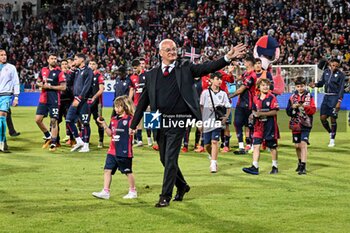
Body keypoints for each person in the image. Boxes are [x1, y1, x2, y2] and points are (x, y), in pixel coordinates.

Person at [130, 39, 246, 207]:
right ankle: (182, 185)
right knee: (164, 159)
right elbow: (143, 101)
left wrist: (227, 58)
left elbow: (207, 67)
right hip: (157, 121)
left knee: (170, 159)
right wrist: (133, 125)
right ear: (160, 53)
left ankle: (165, 196)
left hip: (179, 121)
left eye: (174, 49)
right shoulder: (151, 75)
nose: (172, 51)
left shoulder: (185, 68)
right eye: (168, 49)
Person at [92, 96, 137, 200]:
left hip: (124, 151)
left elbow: (135, 128)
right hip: (112, 150)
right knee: (107, 170)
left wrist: (134, 131)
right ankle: (105, 191)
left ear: (125, 106)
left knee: (127, 171)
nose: (116, 109)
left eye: (118, 106)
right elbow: (110, 134)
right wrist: (104, 125)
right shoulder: (114, 119)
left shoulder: (130, 119)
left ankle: (133, 190)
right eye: (115, 107)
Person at [242, 78, 280, 175]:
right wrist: (253, 115)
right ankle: (255, 167)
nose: (265, 87)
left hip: (270, 126)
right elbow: (254, 111)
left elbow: (275, 111)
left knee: (272, 147)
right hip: (258, 126)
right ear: (258, 87)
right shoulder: (255, 98)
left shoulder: (272, 97)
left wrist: (261, 113)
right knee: (256, 146)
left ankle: (275, 166)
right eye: (263, 85)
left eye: (267, 85)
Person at [200, 72, 231, 173]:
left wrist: (225, 117)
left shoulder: (223, 94)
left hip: (217, 121)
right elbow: (201, 107)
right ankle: (211, 155)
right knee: (206, 145)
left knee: (214, 142)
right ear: (211, 80)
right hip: (206, 121)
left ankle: (213, 163)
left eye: (220, 79)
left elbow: (228, 107)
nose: (219, 81)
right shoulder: (205, 93)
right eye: (217, 79)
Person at [35, 54, 66, 151]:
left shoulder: (59, 72)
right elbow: (38, 81)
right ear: (48, 60)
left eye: (55, 58)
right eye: (52, 58)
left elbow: (63, 87)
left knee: (53, 121)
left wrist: (50, 87)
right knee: (38, 120)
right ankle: (47, 135)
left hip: (54, 99)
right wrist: (40, 84)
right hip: (43, 99)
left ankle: (53, 143)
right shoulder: (43, 70)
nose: (54, 60)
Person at [311, 58, 345, 147]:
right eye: (333, 65)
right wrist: (315, 85)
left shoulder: (341, 75)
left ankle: (332, 139)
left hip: (335, 97)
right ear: (330, 64)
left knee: (333, 118)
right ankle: (330, 132)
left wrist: (339, 101)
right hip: (326, 97)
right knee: (322, 118)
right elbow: (322, 83)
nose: (334, 67)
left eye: (336, 66)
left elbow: (341, 89)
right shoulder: (326, 72)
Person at [287, 77, 316, 175]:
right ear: (295, 87)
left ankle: (303, 166)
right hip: (295, 123)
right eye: (298, 86)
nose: (300, 88)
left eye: (302, 86)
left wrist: (304, 106)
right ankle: (299, 162)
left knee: (303, 144)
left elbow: (313, 110)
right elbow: (288, 112)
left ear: (305, 85)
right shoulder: (292, 97)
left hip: (306, 123)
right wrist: (292, 107)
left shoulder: (309, 96)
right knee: (297, 145)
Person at [230, 56, 257, 154]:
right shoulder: (246, 73)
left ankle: (252, 146)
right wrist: (237, 67)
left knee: (250, 125)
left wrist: (230, 96)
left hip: (249, 104)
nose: (243, 63)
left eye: (245, 61)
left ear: (249, 63)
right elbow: (238, 78)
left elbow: (241, 89)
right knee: (237, 123)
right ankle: (241, 146)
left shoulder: (252, 75)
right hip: (241, 103)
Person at [66, 53, 93, 152]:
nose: (74, 61)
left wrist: (80, 98)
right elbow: (68, 82)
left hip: (83, 100)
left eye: (76, 59)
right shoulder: (77, 71)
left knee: (85, 123)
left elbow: (87, 86)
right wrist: (72, 70)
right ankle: (79, 140)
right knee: (68, 120)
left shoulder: (88, 71)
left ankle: (86, 145)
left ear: (82, 60)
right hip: (75, 99)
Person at [0, 49, 20, 153]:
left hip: (5, 95)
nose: (4, 56)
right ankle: (3, 142)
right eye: (1, 55)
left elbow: (16, 82)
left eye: (5, 55)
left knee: (2, 118)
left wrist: (16, 97)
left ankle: (1, 143)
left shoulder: (11, 68)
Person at [129, 59, 146, 147]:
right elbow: (132, 89)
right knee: (137, 121)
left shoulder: (146, 75)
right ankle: (139, 139)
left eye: (136, 68)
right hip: (136, 102)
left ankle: (154, 140)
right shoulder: (132, 77)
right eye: (133, 68)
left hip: (146, 102)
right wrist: (129, 100)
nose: (135, 70)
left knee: (150, 121)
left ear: (140, 66)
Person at [88, 60, 105, 148]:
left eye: (93, 64)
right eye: (90, 64)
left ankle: (101, 140)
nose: (91, 65)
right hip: (87, 102)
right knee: (85, 121)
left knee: (98, 121)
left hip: (97, 103)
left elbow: (101, 89)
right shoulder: (86, 75)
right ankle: (85, 140)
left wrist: (94, 97)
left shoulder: (99, 75)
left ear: (96, 65)